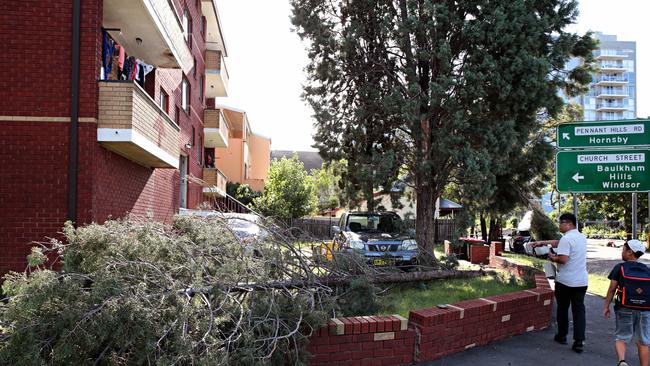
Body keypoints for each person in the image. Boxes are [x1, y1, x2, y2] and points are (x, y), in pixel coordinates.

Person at [531, 213, 588, 353]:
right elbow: (559, 242)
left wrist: (552, 257)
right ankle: (579, 341)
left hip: (565, 281)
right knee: (579, 310)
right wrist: (543, 242)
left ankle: (562, 336)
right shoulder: (581, 237)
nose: (559, 225)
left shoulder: (567, 239)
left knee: (563, 308)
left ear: (568, 224)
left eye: (561, 223)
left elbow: (563, 259)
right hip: (581, 281)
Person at [603, 239, 650, 366]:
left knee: (621, 337)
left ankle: (622, 361)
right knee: (644, 341)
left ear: (630, 252)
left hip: (624, 308)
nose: (622, 252)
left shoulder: (620, 268)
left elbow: (612, 289)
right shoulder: (646, 269)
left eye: (623, 250)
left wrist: (606, 306)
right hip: (645, 310)